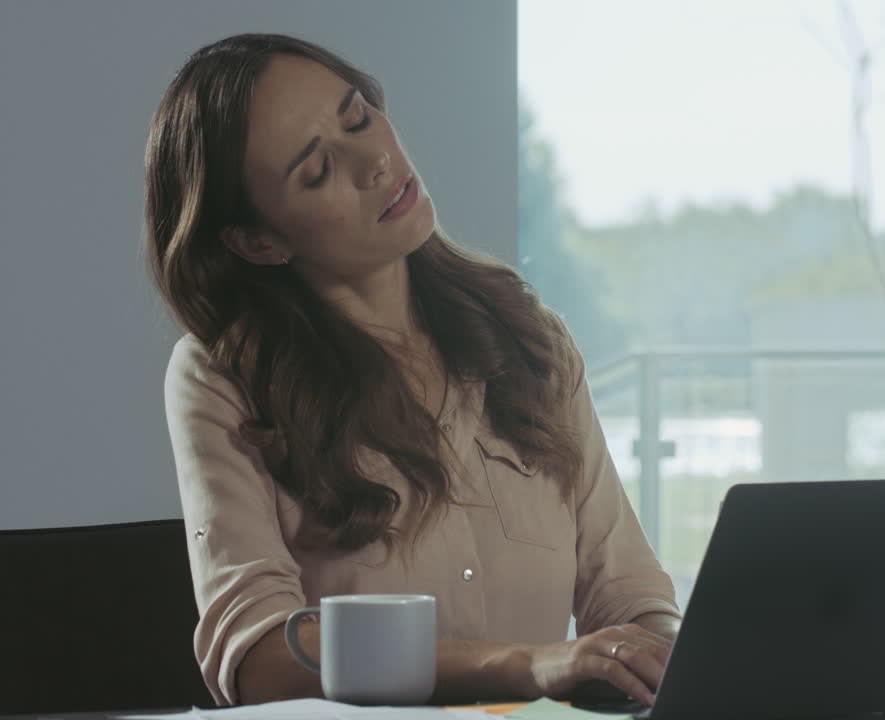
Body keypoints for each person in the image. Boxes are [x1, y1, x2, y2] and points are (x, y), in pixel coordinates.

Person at [144, 33, 681, 708]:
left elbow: (628, 596)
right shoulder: (221, 379)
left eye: (357, 118)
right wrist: (527, 665)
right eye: (318, 171)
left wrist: (676, 658)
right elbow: (259, 658)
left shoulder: (530, 338)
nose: (373, 161)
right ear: (258, 241)